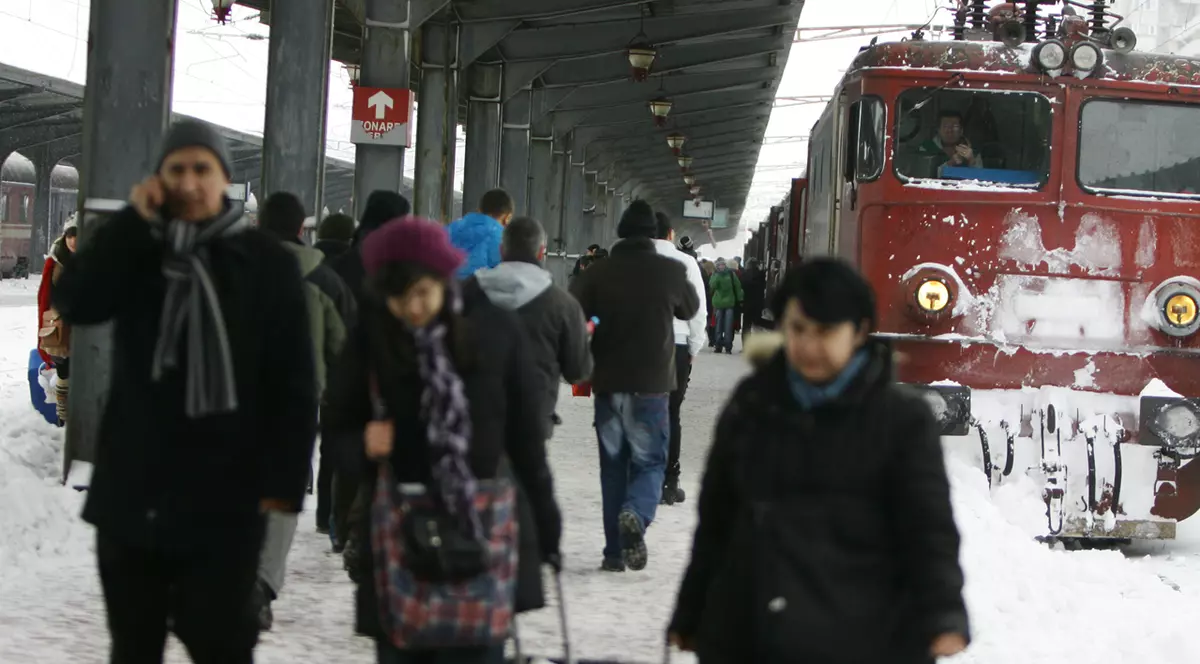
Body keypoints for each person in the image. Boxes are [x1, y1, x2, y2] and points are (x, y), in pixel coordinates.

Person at [53, 119, 317, 663]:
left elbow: (292, 381)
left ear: (225, 179)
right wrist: (132, 220)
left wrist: (284, 483)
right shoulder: (137, 253)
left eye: (203, 169)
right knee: (133, 648)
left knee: (221, 645)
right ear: (159, 180)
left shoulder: (264, 264)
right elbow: (78, 302)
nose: (191, 182)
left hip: (225, 499)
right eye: (177, 169)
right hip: (134, 494)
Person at [666, 258, 970, 664]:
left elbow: (928, 528)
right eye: (797, 330)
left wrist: (943, 613)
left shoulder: (901, 420)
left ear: (859, 332)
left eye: (825, 332)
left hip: (864, 637)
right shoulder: (753, 404)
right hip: (752, 634)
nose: (808, 346)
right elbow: (717, 520)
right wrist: (691, 612)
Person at [322, 217, 562, 661]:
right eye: (398, 298)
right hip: (399, 541)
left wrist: (547, 530)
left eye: (422, 293)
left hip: (483, 536)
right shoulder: (371, 338)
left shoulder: (497, 334)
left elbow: (527, 445)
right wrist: (361, 444)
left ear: (445, 277)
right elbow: (335, 429)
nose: (411, 309)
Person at [466, 215, 591, 612]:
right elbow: (577, 371)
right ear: (541, 252)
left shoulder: (467, 292)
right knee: (519, 491)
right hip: (532, 417)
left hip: (470, 416)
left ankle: (472, 554)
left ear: (501, 250)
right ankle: (512, 566)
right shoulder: (561, 303)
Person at [570, 200, 699, 572]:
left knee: (613, 468)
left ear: (622, 232)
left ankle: (613, 554)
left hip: (609, 384)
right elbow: (689, 310)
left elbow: (574, 314)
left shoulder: (598, 272)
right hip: (652, 387)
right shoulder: (670, 270)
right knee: (650, 463)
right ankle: (637, 514)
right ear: (654, 234)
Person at [255, 191, 356, 630]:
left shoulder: (231, 266)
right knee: (280, 495)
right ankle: (260, 585)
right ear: (302, 229)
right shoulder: (322, 278)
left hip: (229, 400)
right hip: (295, 405)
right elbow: (344, 346)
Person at [328, 189, 410, 554]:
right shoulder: (399, 268)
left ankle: (338, 521)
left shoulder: (342, 264)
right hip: (386, 369)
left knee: (341, 444)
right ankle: (367, 524)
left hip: (339, 365)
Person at [652, 212, 706, 506]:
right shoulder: (686, 263)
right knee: (670, 413)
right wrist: (695, 347)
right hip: (678, 343)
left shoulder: (633, 263)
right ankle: (669, 483)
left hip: (639, 343)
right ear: (670, 234)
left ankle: (639, 479)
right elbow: (698, 310)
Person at [37, 216, 78, 426]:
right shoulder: (56, 260)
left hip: (83, 326)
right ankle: (64, 417)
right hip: (60, 326)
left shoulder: (93, 260)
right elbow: (46, 295)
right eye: (71, 235)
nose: (74, 241)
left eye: (78, 236)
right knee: (64, 373)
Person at [448, 188, 513, 279]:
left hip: (447, 289)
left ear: (479, 210)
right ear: (507, 218)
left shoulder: (450, 229)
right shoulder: (505, 242)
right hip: (479, 290)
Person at [918, 110, 982, 175]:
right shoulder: (926, 147)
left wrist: (971, 161)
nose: (950, 131)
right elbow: (922, 174)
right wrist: (950, 163)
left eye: (955, 126)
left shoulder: (973, 151)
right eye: (946, 126)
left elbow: (981, 177)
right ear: (938, 130)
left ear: (961, 131)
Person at [709, 257, 743, 354]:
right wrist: (716, 275)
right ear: (717, 266)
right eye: (719, 265)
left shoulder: (731, 274)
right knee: (718, 325)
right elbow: (712, 286)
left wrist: (740, 299)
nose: (722, 267)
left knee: (728, 326)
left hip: (729, 303)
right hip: (718, 303)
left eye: (723, 265)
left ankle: (728, 346)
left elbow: (737, 286)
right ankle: (718, 345)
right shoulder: (715, 275)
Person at [739, 258, 769, 344]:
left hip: (747, 302)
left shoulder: (744, 275)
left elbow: (742, 288)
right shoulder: (761, 275)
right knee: (757, 323)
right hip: (758, 303)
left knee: (746, 326)